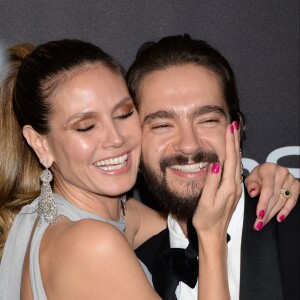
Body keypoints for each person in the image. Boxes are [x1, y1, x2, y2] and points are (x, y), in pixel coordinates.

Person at [0, 39, 297, 299]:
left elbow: (173, 218)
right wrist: (211, 237)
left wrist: (263, 180)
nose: (115, 139)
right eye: (86, 126)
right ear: (40, 144)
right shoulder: (92, 245)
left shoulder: (108, 218)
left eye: (123, 114)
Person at [126, 34, 300, 300]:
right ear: (135, 143)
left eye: (207, 120)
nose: (189, 145)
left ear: (237, 129)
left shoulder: (292, 229)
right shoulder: (133, 266)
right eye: (162, 125)